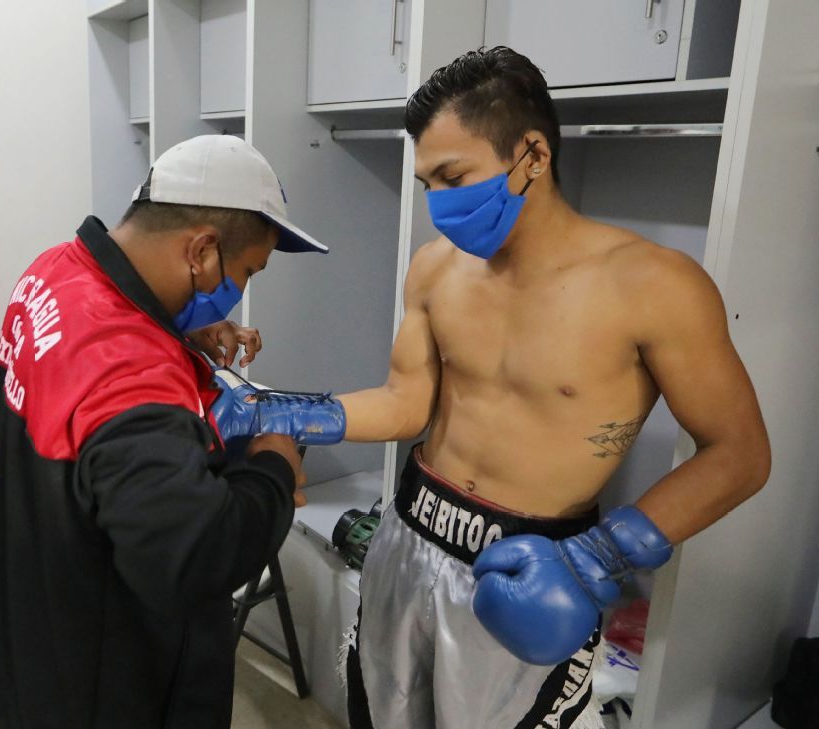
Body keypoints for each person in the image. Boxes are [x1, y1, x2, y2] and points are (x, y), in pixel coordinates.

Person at [213, 47, 771, 728]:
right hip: (410, 534)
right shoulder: (434, 269)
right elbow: (405, 403)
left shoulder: (655, 286)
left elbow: (739, 451)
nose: (440, 203)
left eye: (453, 175)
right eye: (427, 183)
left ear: (532, 154)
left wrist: (604, 554)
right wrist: (283, 411)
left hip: (527, 568)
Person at [0, 134, 333, 729]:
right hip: (103, 691)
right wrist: (273, 465)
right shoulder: (129, 366)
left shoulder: (54, 272)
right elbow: (198, 557)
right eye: (246, 271)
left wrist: (175, 333)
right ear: (204, 252)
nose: (238, 291)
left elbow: (86, 406)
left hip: (23, 651)